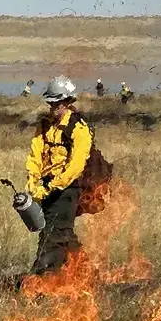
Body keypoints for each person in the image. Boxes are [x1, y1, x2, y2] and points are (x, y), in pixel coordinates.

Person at [25, 76, 93, 275]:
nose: (53, 107)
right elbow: (35, 154)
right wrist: (33, 182)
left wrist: (51, 187)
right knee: (62, 234)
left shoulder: (79, 128)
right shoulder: (44, 125)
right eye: (51, 103)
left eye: (57, 103)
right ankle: (83, 272)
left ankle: (41, 277)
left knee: (53, 235)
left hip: (68, 190)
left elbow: (75, 167)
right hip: (47, 187)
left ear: (67, 102)